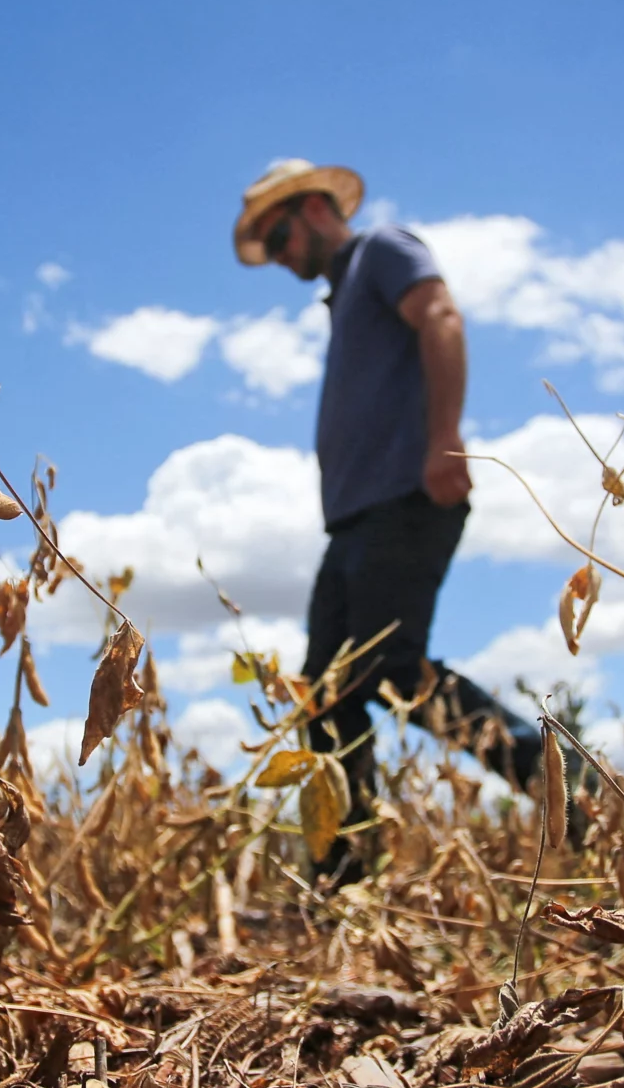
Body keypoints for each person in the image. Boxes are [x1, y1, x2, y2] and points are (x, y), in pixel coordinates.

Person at [231, 158, 580, 883]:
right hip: (352, 522)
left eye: (283, 234)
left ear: (318, 209)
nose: (285, 254)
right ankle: (342, 873)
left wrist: (445, 444)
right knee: (323, 695)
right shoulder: (342, 297)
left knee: (390, 671)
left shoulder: (383, 250)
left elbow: (441, 315)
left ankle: (571, 790)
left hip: (403, 500)